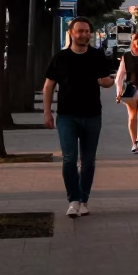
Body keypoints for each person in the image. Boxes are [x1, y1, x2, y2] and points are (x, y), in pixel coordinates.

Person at [42, 17, 115, 218]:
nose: (83, 34)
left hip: (92, 115)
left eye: (86, 31)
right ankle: (73, 199)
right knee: (69, 158)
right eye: (79, 31)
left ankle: (84, 199)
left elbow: (107, 80)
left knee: (89, 161)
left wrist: (108, 82)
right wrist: (47, 112)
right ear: (71, 33)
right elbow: (48, 86)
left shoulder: (97, 56)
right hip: (67, 116)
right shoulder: (61, 58)